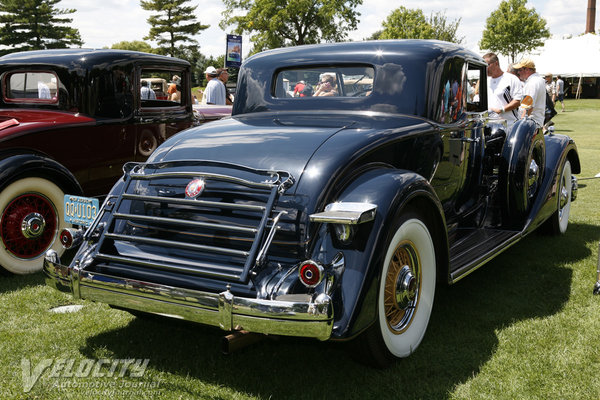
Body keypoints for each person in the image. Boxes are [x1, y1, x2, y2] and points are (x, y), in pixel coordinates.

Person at [483, 52, 523, 130]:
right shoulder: (486, 81)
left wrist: (501, 110)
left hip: (509, 125)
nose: (485, 68)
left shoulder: (511, 79)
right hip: (489, 125)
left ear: (496, 63)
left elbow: (518, 100)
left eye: (487, 65)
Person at [513, 58, 546, 127]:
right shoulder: (539, 80)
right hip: (535, 122)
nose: (518, 72)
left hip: (530, 123)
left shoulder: (532, 83)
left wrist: (521, 124)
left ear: (527, 69)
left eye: (520, 70)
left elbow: (528, 107)